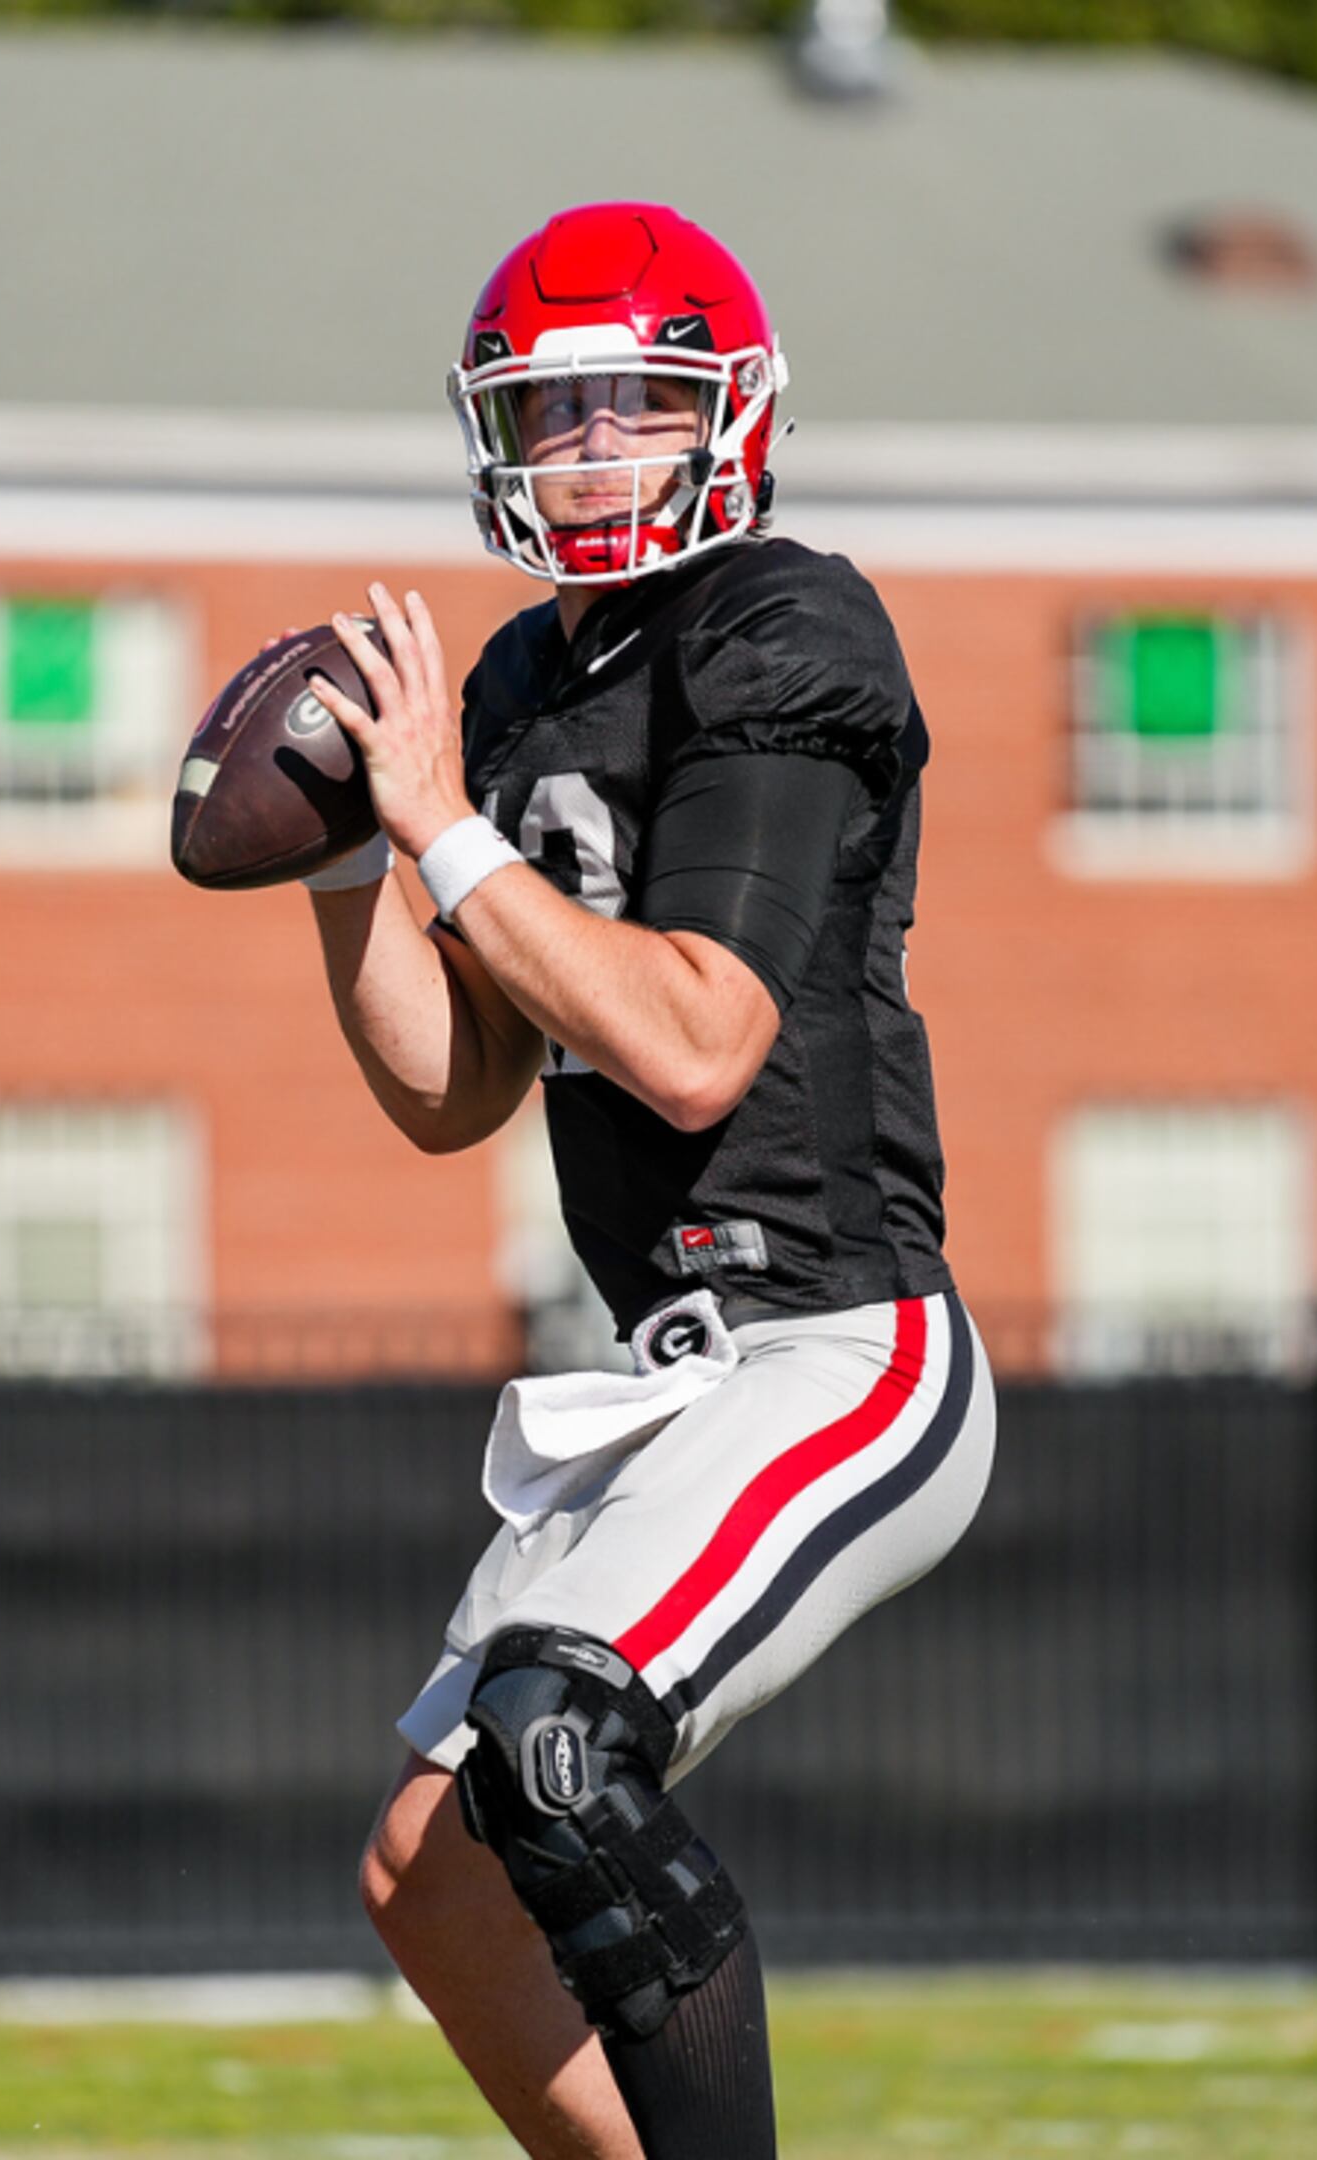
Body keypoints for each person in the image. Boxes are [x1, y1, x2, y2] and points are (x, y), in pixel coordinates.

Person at [297, 201, 996, 2159]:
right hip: (670, 1368)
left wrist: (443, 830)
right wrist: (355, 866)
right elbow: (457, 1090)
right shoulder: (519, 680)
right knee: (434, 1872)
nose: (592, 452)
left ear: (729, 416)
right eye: (555, 416)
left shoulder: (790, 622)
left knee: (561, 1750)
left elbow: (696, 1039)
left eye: (633, 407)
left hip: (840, 1343)